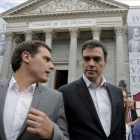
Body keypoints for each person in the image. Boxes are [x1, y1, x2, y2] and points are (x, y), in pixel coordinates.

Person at [0, 40, 69, 140]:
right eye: (46, 59)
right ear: (26, 57)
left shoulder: (55, 98)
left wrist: (52, 133)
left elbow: (65, 137)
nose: (52, 66)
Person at [58, 39, 126, 140]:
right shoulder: (65, 92)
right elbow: (62, 131)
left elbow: (121, 130)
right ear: (82, 61)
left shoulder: (117, 92)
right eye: (86, 59)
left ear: (105, 62)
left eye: (97, 59)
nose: (91, 64)